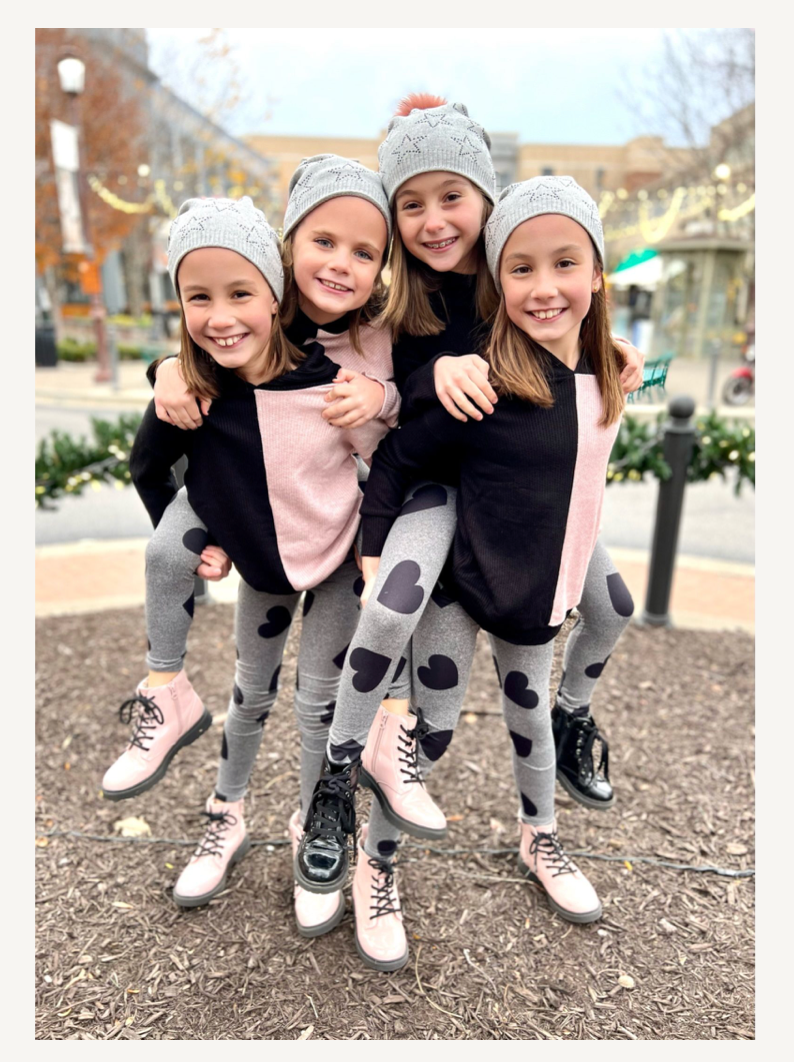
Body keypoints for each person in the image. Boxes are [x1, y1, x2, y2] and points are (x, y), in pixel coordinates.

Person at [295, 99, 641, 970]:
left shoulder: (518, 288)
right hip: (439, 496)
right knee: (405, 653)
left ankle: (550, 799)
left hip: (533, 516)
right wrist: (404, 388)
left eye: (453, 195)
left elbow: (566, 297)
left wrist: (617, 350)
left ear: (488, 201)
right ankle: (365, 832)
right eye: (410, 203)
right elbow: (288, 330)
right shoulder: (395, 301)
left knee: (604, 612)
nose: (433, 220)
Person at [102, 178, 396, 937]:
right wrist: (200, 540)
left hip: (334, 563)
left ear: (273, 294)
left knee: (317, 706)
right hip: (264, 568)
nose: (223, 317)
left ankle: (310, 830)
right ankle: (224, 816)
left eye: (243, 293)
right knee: (250, 693)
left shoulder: (334, 379)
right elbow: (148, 466)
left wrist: (379, 546)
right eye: (200, 299)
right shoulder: (199, 386)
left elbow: (392, 458)